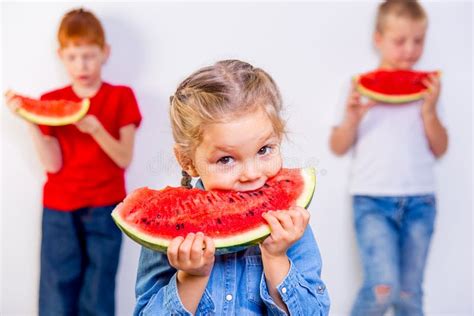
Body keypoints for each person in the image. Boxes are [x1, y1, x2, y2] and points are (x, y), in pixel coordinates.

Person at [134, 59, 330, 315]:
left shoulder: (290, 226)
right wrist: (190, 277)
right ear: (188, 161)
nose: (251, 174)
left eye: (264, 150)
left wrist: (276, 258)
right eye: (226, 159)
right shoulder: (174, 229)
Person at [5, 8, 142, 316]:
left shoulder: (122, 97)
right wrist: (30, 120)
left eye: (89, 55)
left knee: (99, 290)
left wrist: (96, 130)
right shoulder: (51, 99)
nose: (82, 65)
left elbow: (124, 158)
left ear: (105, 53)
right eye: (73, 56)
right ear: (61, 56)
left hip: (108, 208)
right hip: (59, 209)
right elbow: (52, 165)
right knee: (56, 291)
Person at [329, 1, 448, 315]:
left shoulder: (429, 89)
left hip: (421, 200)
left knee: (409, 295)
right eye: (399, 41)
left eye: (418, 41)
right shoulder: (357, 87)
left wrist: (429, 110)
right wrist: (352, 117)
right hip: (372, 200)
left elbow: (440, 148)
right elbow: (338, 145)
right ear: (378, 38)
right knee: (382, 289)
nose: (409, 50)